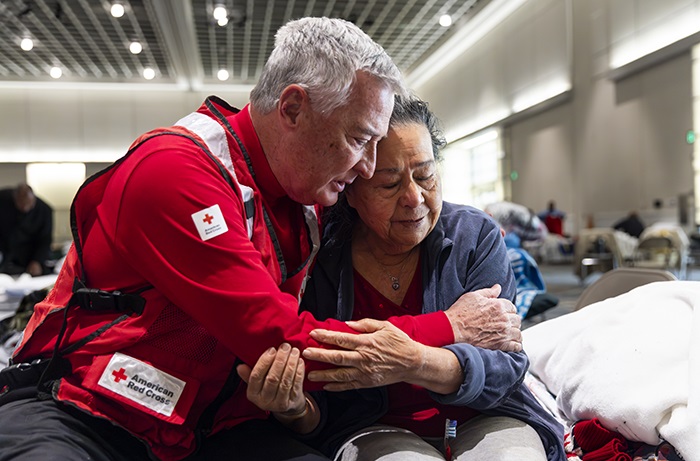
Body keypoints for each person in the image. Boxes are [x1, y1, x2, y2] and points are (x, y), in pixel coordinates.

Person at [0, 18, 522, 461]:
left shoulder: (320, 202)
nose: (366, 168)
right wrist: (447, 326)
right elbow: (282, 338)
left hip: (215, 424)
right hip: (86, 411)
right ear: (293, 109)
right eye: (359, 140)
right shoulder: (174, 174)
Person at [242, 96, 565, 460]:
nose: (414, 198)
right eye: (388, 184)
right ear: (350, 189)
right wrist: (293, 408)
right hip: (375, 428)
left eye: (426, 176)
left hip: (487, 416)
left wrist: (413, 361)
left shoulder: (473, 235)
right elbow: (321, 405)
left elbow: (505, 368)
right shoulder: (322, 257)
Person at [0, 183, 53, 276]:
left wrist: (37, 261)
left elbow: (45, 240)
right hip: (6, 252)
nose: (24, 207)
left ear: (33, 199)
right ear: (14, 199)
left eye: (28, 203)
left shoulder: (45, 210)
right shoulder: (3, 200)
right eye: (21, 203)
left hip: (30, 254)